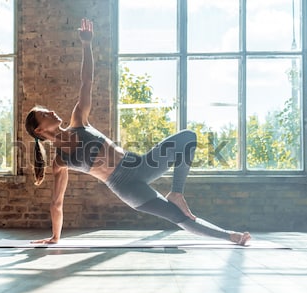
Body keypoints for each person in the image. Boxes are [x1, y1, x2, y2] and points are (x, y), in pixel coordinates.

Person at [25, 18, 251, 246]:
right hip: (125, 187)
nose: (51, 111)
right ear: (39, 130)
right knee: (177, 216)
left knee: (188, 137)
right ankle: (231, 236)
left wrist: (86, 45)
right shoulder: (60, 161)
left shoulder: (79, 120)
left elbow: (87, 81)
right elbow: (57, 202)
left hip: (140, 165)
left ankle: (177, 193)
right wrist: (55, 237)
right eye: (45, 114)